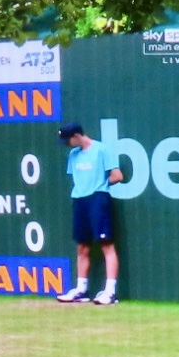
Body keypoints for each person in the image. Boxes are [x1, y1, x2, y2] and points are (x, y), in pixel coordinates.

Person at [53, 123, 123, 305]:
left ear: (77, 136)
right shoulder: (73, 155)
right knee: (82, 247)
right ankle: (81, 290)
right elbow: (78, 179)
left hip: (98, 200)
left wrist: (100, 184)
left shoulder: (102, 150)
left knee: (106, 245)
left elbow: (117, 176)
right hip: (79, 201)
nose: (67, 143)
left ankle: (110, 292)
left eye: (68, 139)